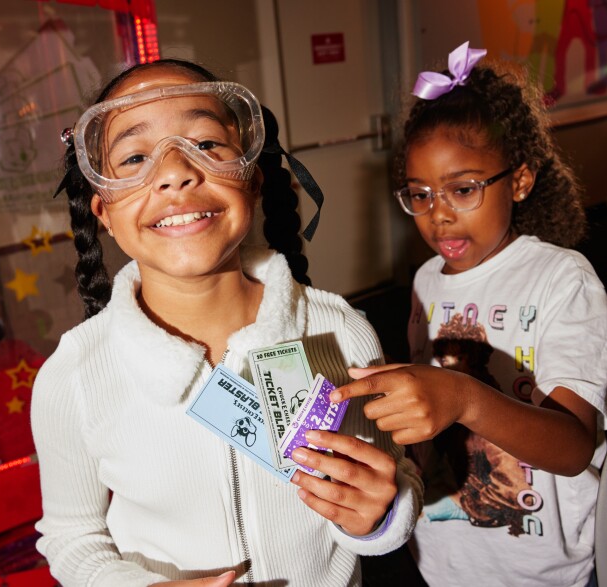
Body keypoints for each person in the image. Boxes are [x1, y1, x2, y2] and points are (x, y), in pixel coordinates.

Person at [30, 58, 421, 587]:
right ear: (105, 213)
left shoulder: (340, 333)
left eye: (207, 143)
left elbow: (393, 472)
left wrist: (381, 515)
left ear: (252, 181)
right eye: (136, 157)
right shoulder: (74, 376)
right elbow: (72, 538)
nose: (174, 172)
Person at [335, 43, 607, 586]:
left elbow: (575, 447)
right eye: (419, 194)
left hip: (540, 569)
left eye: (462, 189)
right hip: (444, 559)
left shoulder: (562, 279)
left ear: (520, 180)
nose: (438, 215)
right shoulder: (425, 280)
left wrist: (463, 397)